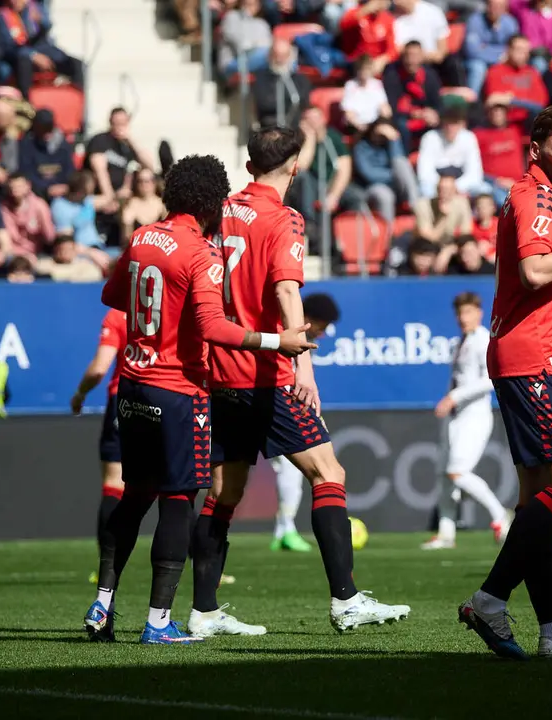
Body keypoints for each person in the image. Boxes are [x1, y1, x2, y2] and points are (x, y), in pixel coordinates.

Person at [188, 127, 412, 639]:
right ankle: (346, 600)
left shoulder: (224, 209)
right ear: (294, 167)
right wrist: (302, 365)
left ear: (249, 166)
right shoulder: (284, 217)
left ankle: (202, 610)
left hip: (222, 367)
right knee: (329, 474)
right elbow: (288, 290)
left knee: (224, 491)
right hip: (264, 372)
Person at [83, 154, 315, 645]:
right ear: (212, 201)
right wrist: (278, 342)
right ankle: (158, 622)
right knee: (176, 501)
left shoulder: (144, 236)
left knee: (135, 496)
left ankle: (102, 604)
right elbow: (212, 327)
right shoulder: (199, 252)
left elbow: (111, 294)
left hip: (132, 384)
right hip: (177, 390)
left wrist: (159, 313)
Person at [457, 102, 552, 661]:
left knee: (539, 498)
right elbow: (534, 269)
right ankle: (490, 598)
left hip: (527, 353)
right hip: (536, 357)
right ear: (536, 148)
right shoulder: (534, 195)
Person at [421, 291, 512, 550]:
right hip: (455, 418)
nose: (463, 317)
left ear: (479, 313)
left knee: (457, 472)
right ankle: (446, 533)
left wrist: (454, 396)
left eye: (468, 312)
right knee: (443, 475)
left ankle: (499, 515)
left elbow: (491, 379)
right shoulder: (463, 341)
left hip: (474, 417)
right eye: (460, 313)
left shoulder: (484, 340)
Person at [268, 292, 340, 553]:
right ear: (309, 318)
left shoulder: (297, 340)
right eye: (322, 326)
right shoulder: (287, 336)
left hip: (267, 401)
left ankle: (284, 529)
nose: (321, 333)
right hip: (273, 403)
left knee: (288, 472)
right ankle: (285, 528)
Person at [70, 308, 128, 585]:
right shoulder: (175, 300)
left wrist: (80, 393)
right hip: (171, 397)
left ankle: (107, 568)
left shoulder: (118, 315)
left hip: (125, 399)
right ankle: (202, 567)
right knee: (176, 487)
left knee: (114, 484)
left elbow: (99, 368)